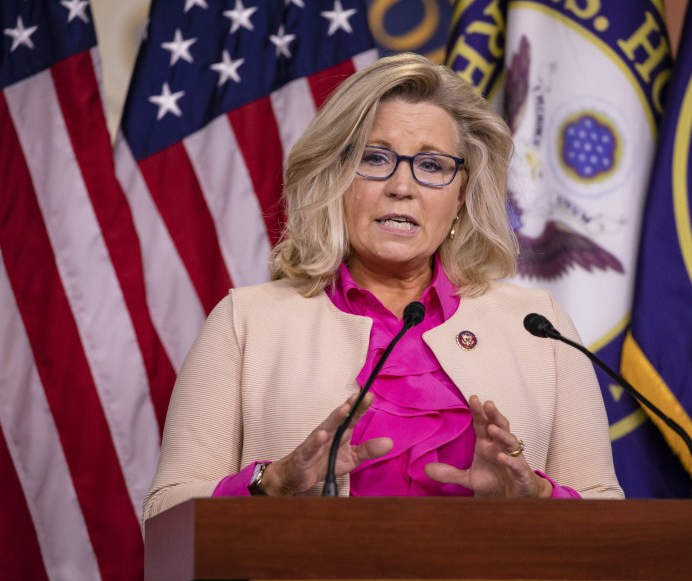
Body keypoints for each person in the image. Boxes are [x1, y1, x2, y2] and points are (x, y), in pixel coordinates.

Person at [143, 53, 623, 522]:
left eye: (432, 166)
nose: (402, 186)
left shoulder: (538, 326)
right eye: (375, 158)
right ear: (334, 176)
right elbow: (164, 516)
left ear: (461, 194)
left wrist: (536, 496)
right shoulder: (247, 321)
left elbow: (608, 516)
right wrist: (271, 482)